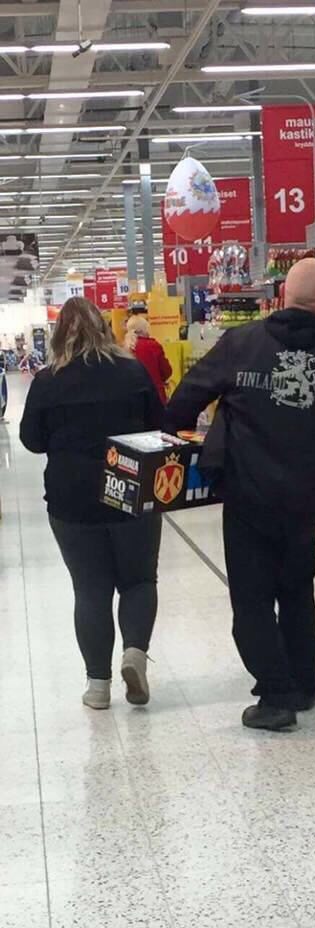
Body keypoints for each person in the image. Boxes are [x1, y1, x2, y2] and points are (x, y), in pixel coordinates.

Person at [166, 258, 315, 732]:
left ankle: (276, 697)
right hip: (304, 500)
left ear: (281, 297)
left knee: (252, 600)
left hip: (247, 496)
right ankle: (305, 682)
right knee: (296, 591)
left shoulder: (242, 343)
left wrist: (180, 441)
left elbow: (185, 400)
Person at [20, 297, 164, 711]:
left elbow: (32, 440)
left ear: (58, 335)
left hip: (72, 499)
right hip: (131, 489)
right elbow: (159, 423)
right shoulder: (132, 371)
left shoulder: (48, 381)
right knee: (139, 580)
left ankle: (98, 686)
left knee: (90, 589)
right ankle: (134, 653)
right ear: (104, 328)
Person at [125, 315, 172, 404]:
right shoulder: (153, 345)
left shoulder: (125, 348)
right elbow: (166, 371)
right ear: (144, 329)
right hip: (155, 396)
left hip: (133, 398)